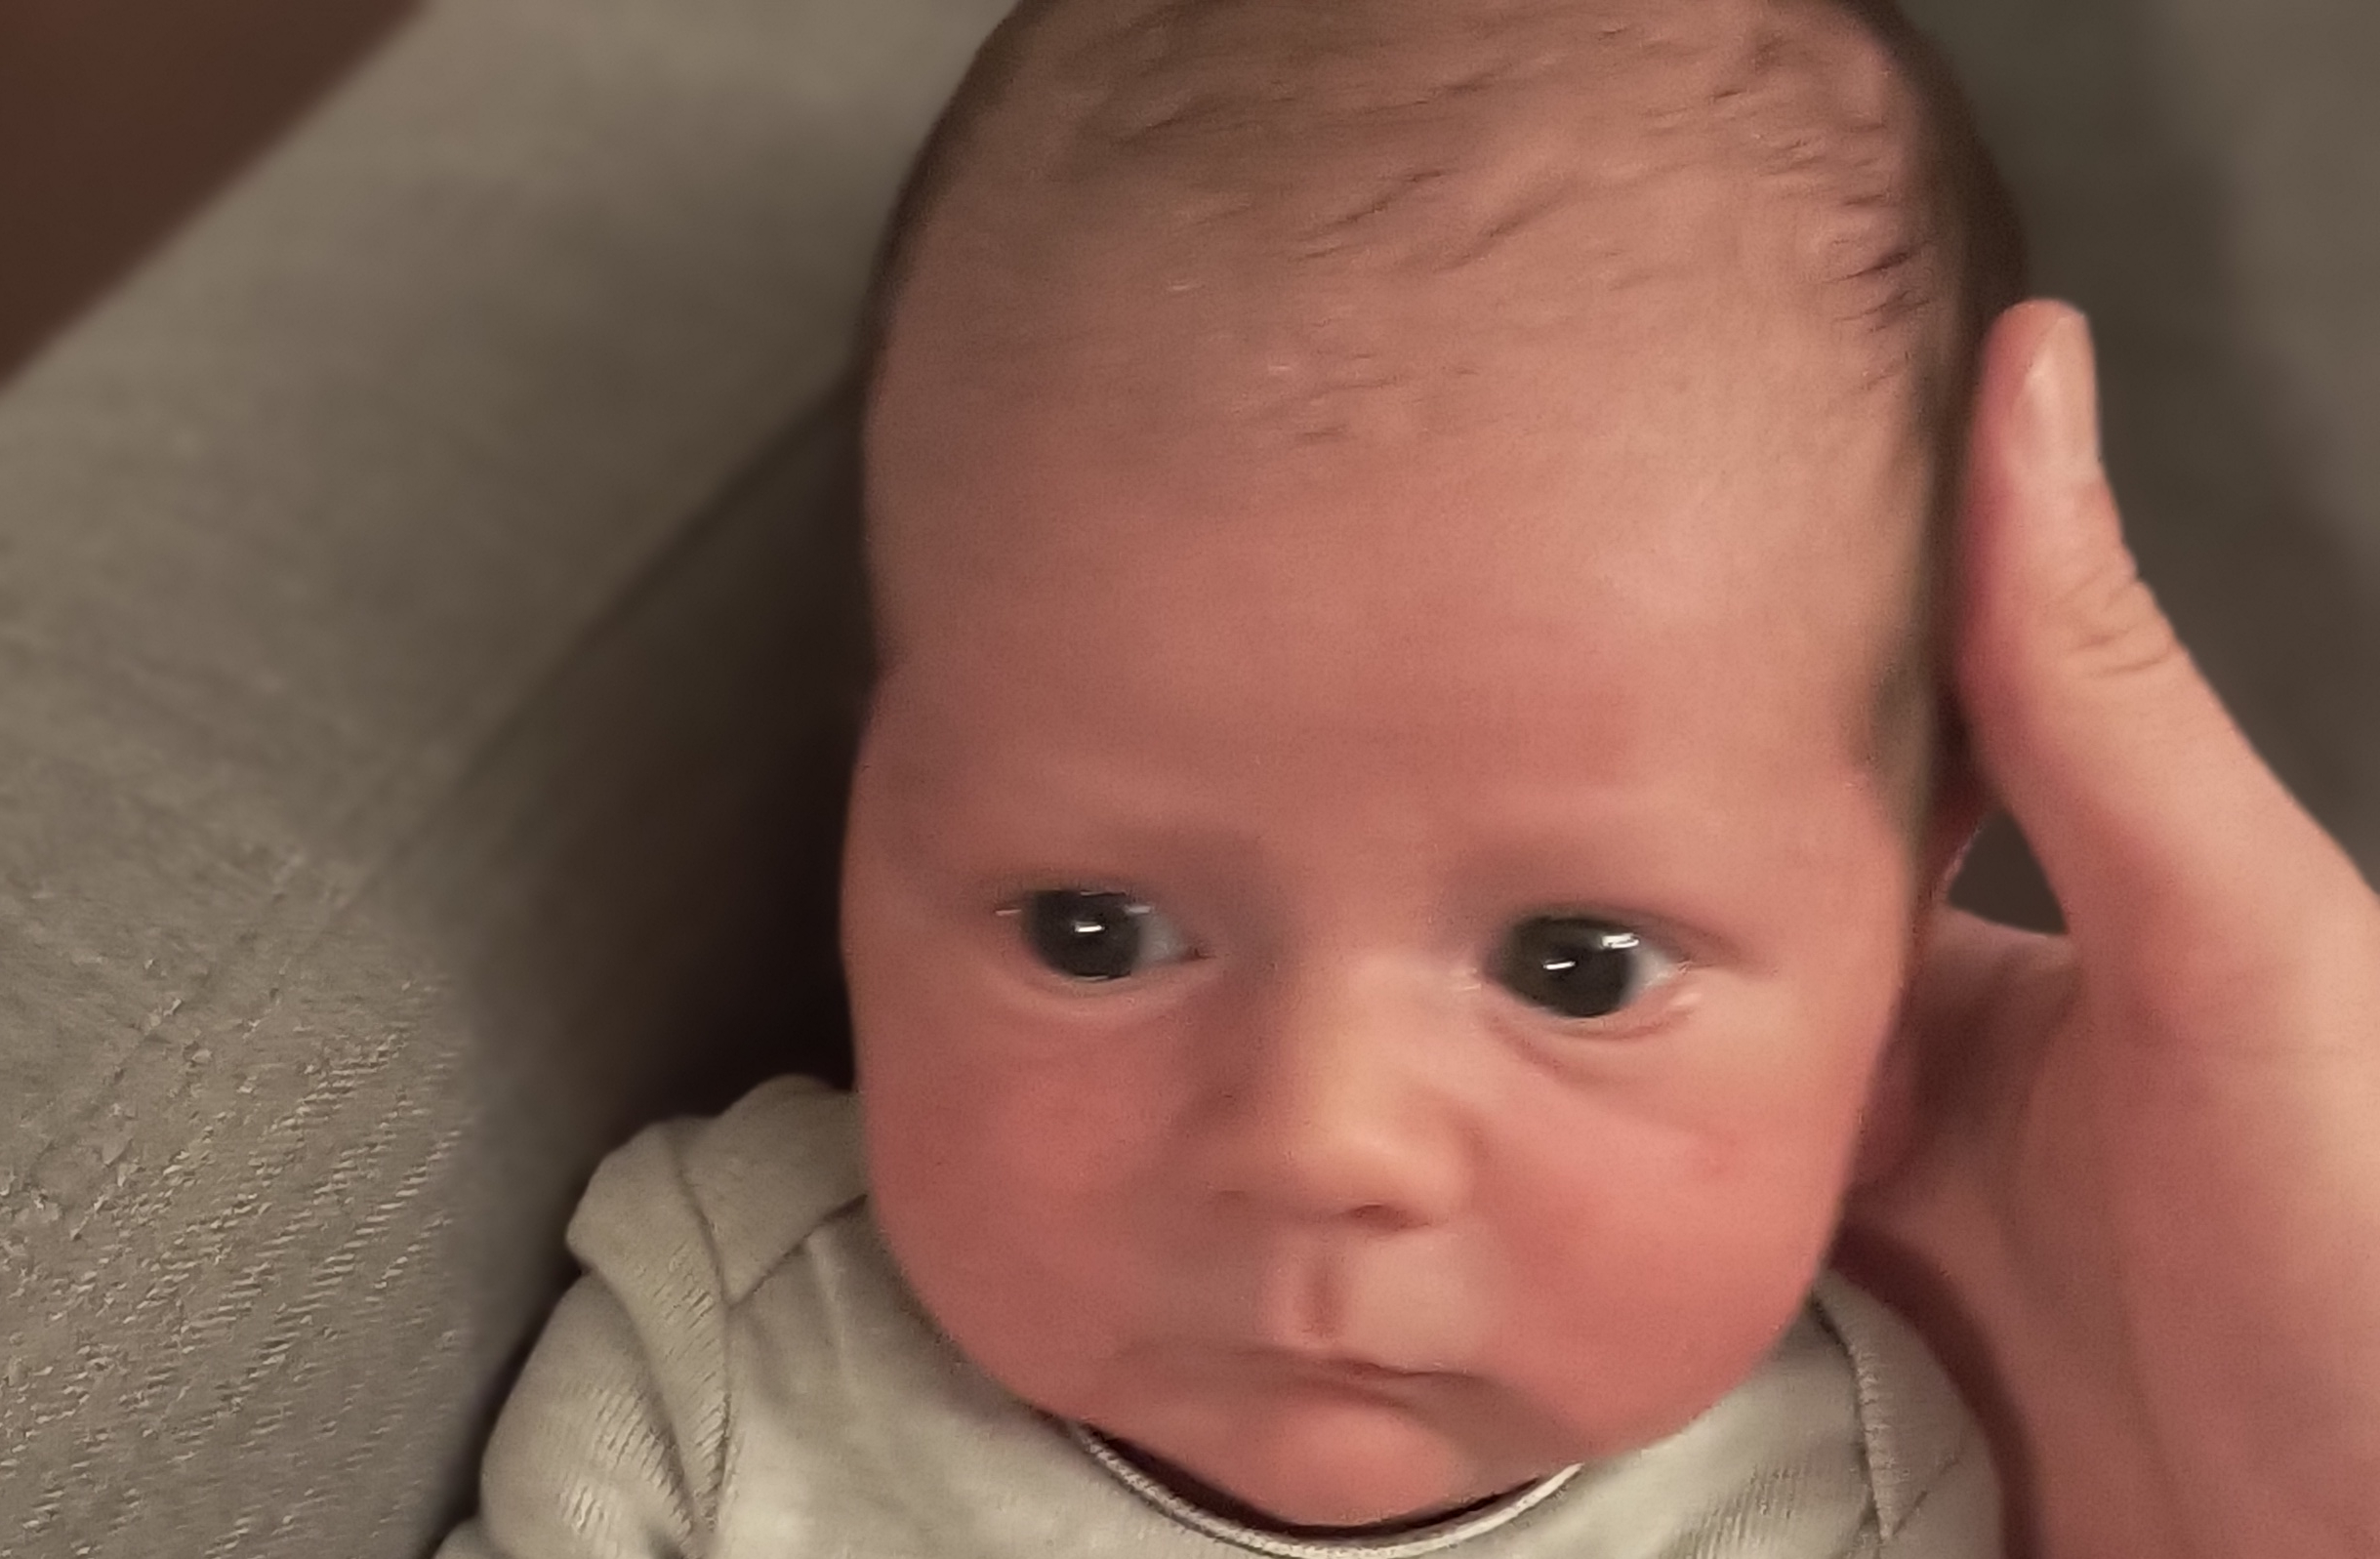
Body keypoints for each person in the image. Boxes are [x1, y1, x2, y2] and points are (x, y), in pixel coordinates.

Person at [438, 1, 2380, 1555]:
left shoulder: (1849, 1499)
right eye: (1094, 931)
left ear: (1888, 967)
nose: (1322, 1141)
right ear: (868, 828)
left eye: (1574, 968)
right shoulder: (727, 1355)